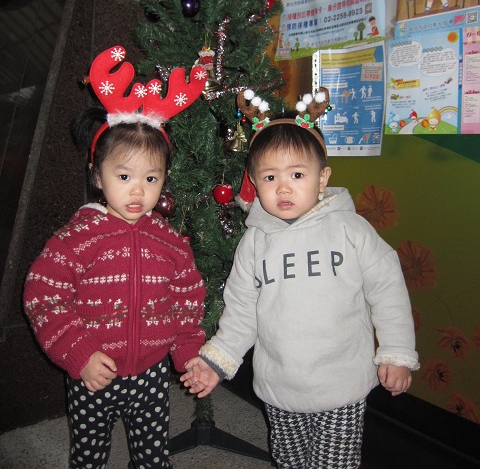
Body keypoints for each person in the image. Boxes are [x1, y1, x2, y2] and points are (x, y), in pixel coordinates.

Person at [181, 93, 419, 469]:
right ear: (254, 182)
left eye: (297, 175)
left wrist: (397, 352)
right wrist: (217, 361)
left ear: (322, 178)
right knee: (289, 459)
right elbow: (241, 310)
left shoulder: (351, 230)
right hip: (280, 387)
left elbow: (387, 291)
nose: (284, 188)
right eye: (270, 177)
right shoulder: (254, 243)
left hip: (341, 383)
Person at [23, 46, 207, 469]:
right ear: (97, 175)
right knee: (89, 457)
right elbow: (42, 296)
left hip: (152, 376)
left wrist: (187, 350)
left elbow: (187, 298)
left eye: (151, 178)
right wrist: (79, 352)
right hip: (93, 373)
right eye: (123, 176)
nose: (138, 190)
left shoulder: (170, 241)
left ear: (164, 179)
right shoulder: (76, 238)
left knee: (153, 457)